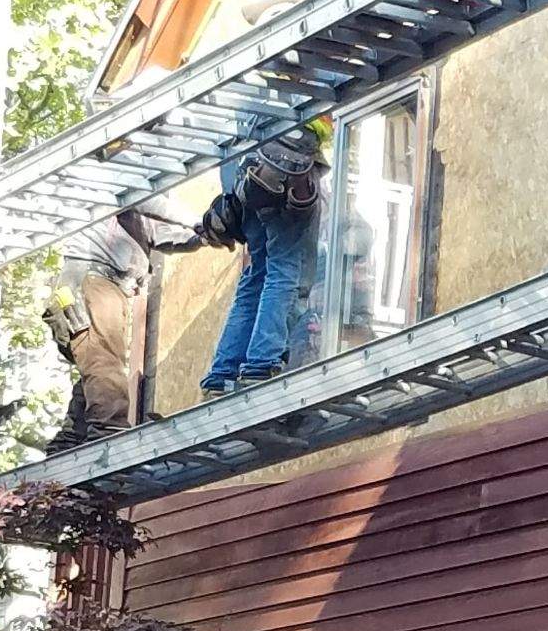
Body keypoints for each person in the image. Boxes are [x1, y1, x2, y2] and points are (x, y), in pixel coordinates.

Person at [182, 121, 332, 395]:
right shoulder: (296, 89)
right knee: (284, 270)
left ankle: (223, 373)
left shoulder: (247, 109)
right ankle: (262, 362)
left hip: (248, 179)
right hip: (281, 172)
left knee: (258, 275)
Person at [44, 210, 166, 448]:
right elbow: (155, 201)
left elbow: (163, 233)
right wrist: (202, 220)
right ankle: (108, 429)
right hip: (95, 281)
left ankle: (73, 435)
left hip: (91, 284)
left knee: (94, 362)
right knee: (103, 359)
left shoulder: (136, 219)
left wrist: (205, 230)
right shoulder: (121, 190)